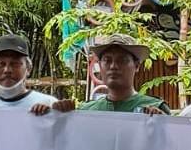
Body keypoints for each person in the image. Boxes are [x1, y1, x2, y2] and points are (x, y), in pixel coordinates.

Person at [40, 34, 169, 115]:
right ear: (99, 65)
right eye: (107, 60)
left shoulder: (155, 109)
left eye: (122, 60)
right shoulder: (85, 112)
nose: (113, 66)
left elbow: (173, 148)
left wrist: (163, 125)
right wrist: (58, 117)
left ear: (136, 66)